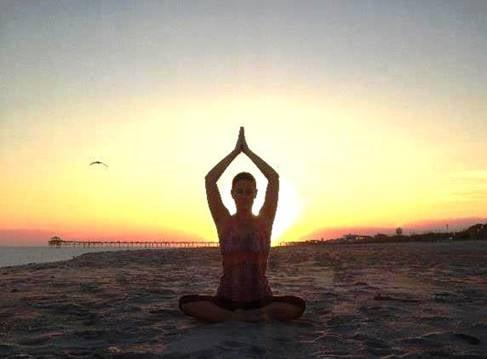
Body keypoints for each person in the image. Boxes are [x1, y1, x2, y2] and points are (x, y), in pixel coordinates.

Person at [178, 127, 306, 322]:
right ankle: (243, 317)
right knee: (186, 303)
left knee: (297, 306)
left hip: (261, 299)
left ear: (255, 194)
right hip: (226, 299)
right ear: (232, 194)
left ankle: (238, 317)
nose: (244, 196)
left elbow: (273, 178)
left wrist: (248, 151)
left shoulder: (265, 220)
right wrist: (235, 152)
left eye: (249, 191)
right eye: (240, 191)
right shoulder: (223, 220)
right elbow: (210, 180)